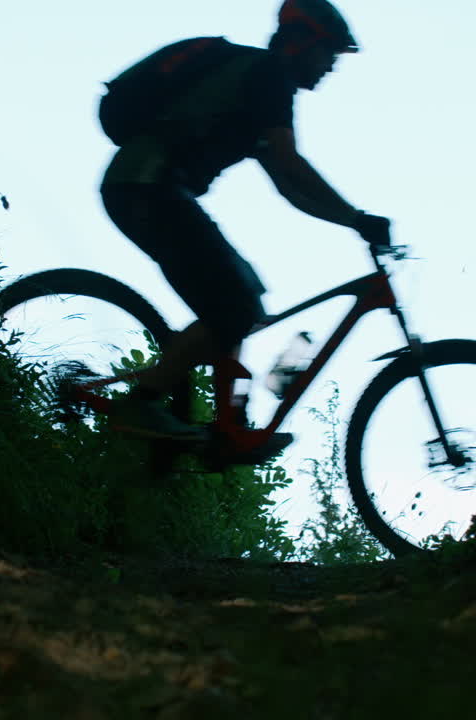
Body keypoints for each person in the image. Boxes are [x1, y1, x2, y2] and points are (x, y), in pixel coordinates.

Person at [102, 0, 392, 450]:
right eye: (328, 54)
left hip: (149, 189)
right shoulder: (267, 77)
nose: (331, 67)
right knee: (233, 307)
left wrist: (351, 222)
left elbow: (288, 186)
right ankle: (143, 401)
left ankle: (228, 427)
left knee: (246, 296)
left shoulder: (257, 85)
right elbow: (291, 166)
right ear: (302, 45)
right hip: (146, 186)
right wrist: (356, 218)